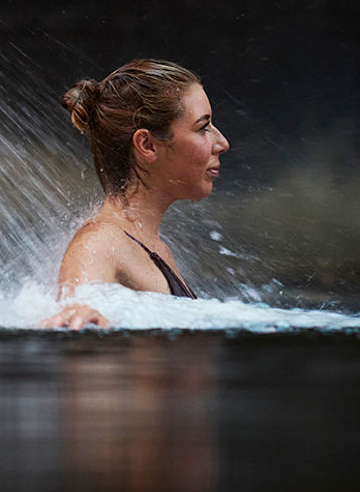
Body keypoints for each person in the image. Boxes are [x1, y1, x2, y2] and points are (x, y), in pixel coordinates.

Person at [41, 59, 229, 329]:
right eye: (202, 128)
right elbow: (76, 316)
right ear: (147, 144)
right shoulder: (99, 245)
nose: (222, 143)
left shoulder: (149, 243)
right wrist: (78, 315)